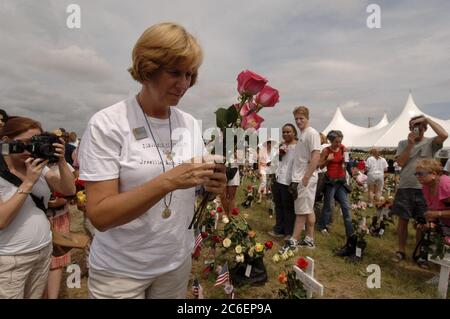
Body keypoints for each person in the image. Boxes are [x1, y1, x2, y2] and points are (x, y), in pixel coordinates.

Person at [77, 22, 226, 299]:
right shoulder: (108, 124)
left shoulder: (190, 124)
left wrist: (209, 185)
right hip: (120, 271)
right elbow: (100, 216)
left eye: (190, 75)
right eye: (174, 73)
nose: (184, 84)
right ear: (148, 69)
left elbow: (188, 190)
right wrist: (169, 181)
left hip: (173, 264)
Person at [0, 116, 75, 298]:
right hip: (11, 259)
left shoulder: (37, 166)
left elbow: (68, 189)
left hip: (42, 251)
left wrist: (62, 161)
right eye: (25, 143)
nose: (31, 149)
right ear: (6, 142)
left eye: (35, 143)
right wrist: (29, 182)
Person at [391, 115, 447, 263]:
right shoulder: (403, 143)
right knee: (403, 221)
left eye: (420, 126)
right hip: (405, 186)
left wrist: (427, 119)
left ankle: (420, 253)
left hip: (425, 189)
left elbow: (444, 135)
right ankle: (400, 250)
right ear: (410, 128)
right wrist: (410, 145)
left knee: (422, 222)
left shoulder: (431, 143)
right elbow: (401, 163)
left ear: (425, 128)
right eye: (414, 126)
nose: (418, 129)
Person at [280, 106, 321, 253]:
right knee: (308, 209)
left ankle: (294, 240)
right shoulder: (304, 134)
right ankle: (310, 239)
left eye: (301, 118)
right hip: (300, 177)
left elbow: (316, 156)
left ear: (307, 118)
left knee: (301, 212)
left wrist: (305, 177)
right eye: (296, 118)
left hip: (305, 178)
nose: (298, 121)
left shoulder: (311, 133)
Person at [415, 159, 450, 267]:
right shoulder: (426, 186)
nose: (417, 176)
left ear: (433, 174)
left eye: (421, 174)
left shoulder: (445, 185)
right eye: (416, 173)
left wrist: (437, 214)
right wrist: (429, 220)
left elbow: (437, 212)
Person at [269, 124, 297, 239]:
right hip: (278, 179)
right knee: (279, 205)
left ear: (294, 133)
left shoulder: (298, 147)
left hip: (289, 181)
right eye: (284, 132)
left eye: (288, 132)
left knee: (288, 208)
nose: (285, 134)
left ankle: (289, 232)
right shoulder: (281, 145)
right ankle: (279, 229)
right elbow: (276, 162)